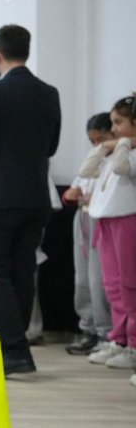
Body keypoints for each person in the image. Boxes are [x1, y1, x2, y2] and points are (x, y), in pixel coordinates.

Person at [0, 24, 61, 375]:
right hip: (36, 197)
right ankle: (18, 352)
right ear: (27, 51)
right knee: (23, 271)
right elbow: (51, 146)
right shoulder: (49, 94)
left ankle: (15, 350)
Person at [81, 95, 136, 372]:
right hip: (106, 221)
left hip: (128, 221)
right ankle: (120, 338)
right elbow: (87, 170)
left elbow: (122, 168)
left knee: (130, 286)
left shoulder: (127, 154)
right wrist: (104, 147)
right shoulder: (114, 150)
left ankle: (134, 344)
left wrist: (124, 144)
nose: (113, 129)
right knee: (112, 285)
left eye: (119, 123)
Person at [63, 113, 114, 355]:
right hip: (83, 217)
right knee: (82, 280)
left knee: (100, 280)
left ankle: (107, 332)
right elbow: (73, 191)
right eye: (92, 141)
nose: (97, 145)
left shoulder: (119, 160)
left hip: (103, 219)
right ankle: (88, 328)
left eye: (101, 139)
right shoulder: (94, 159)